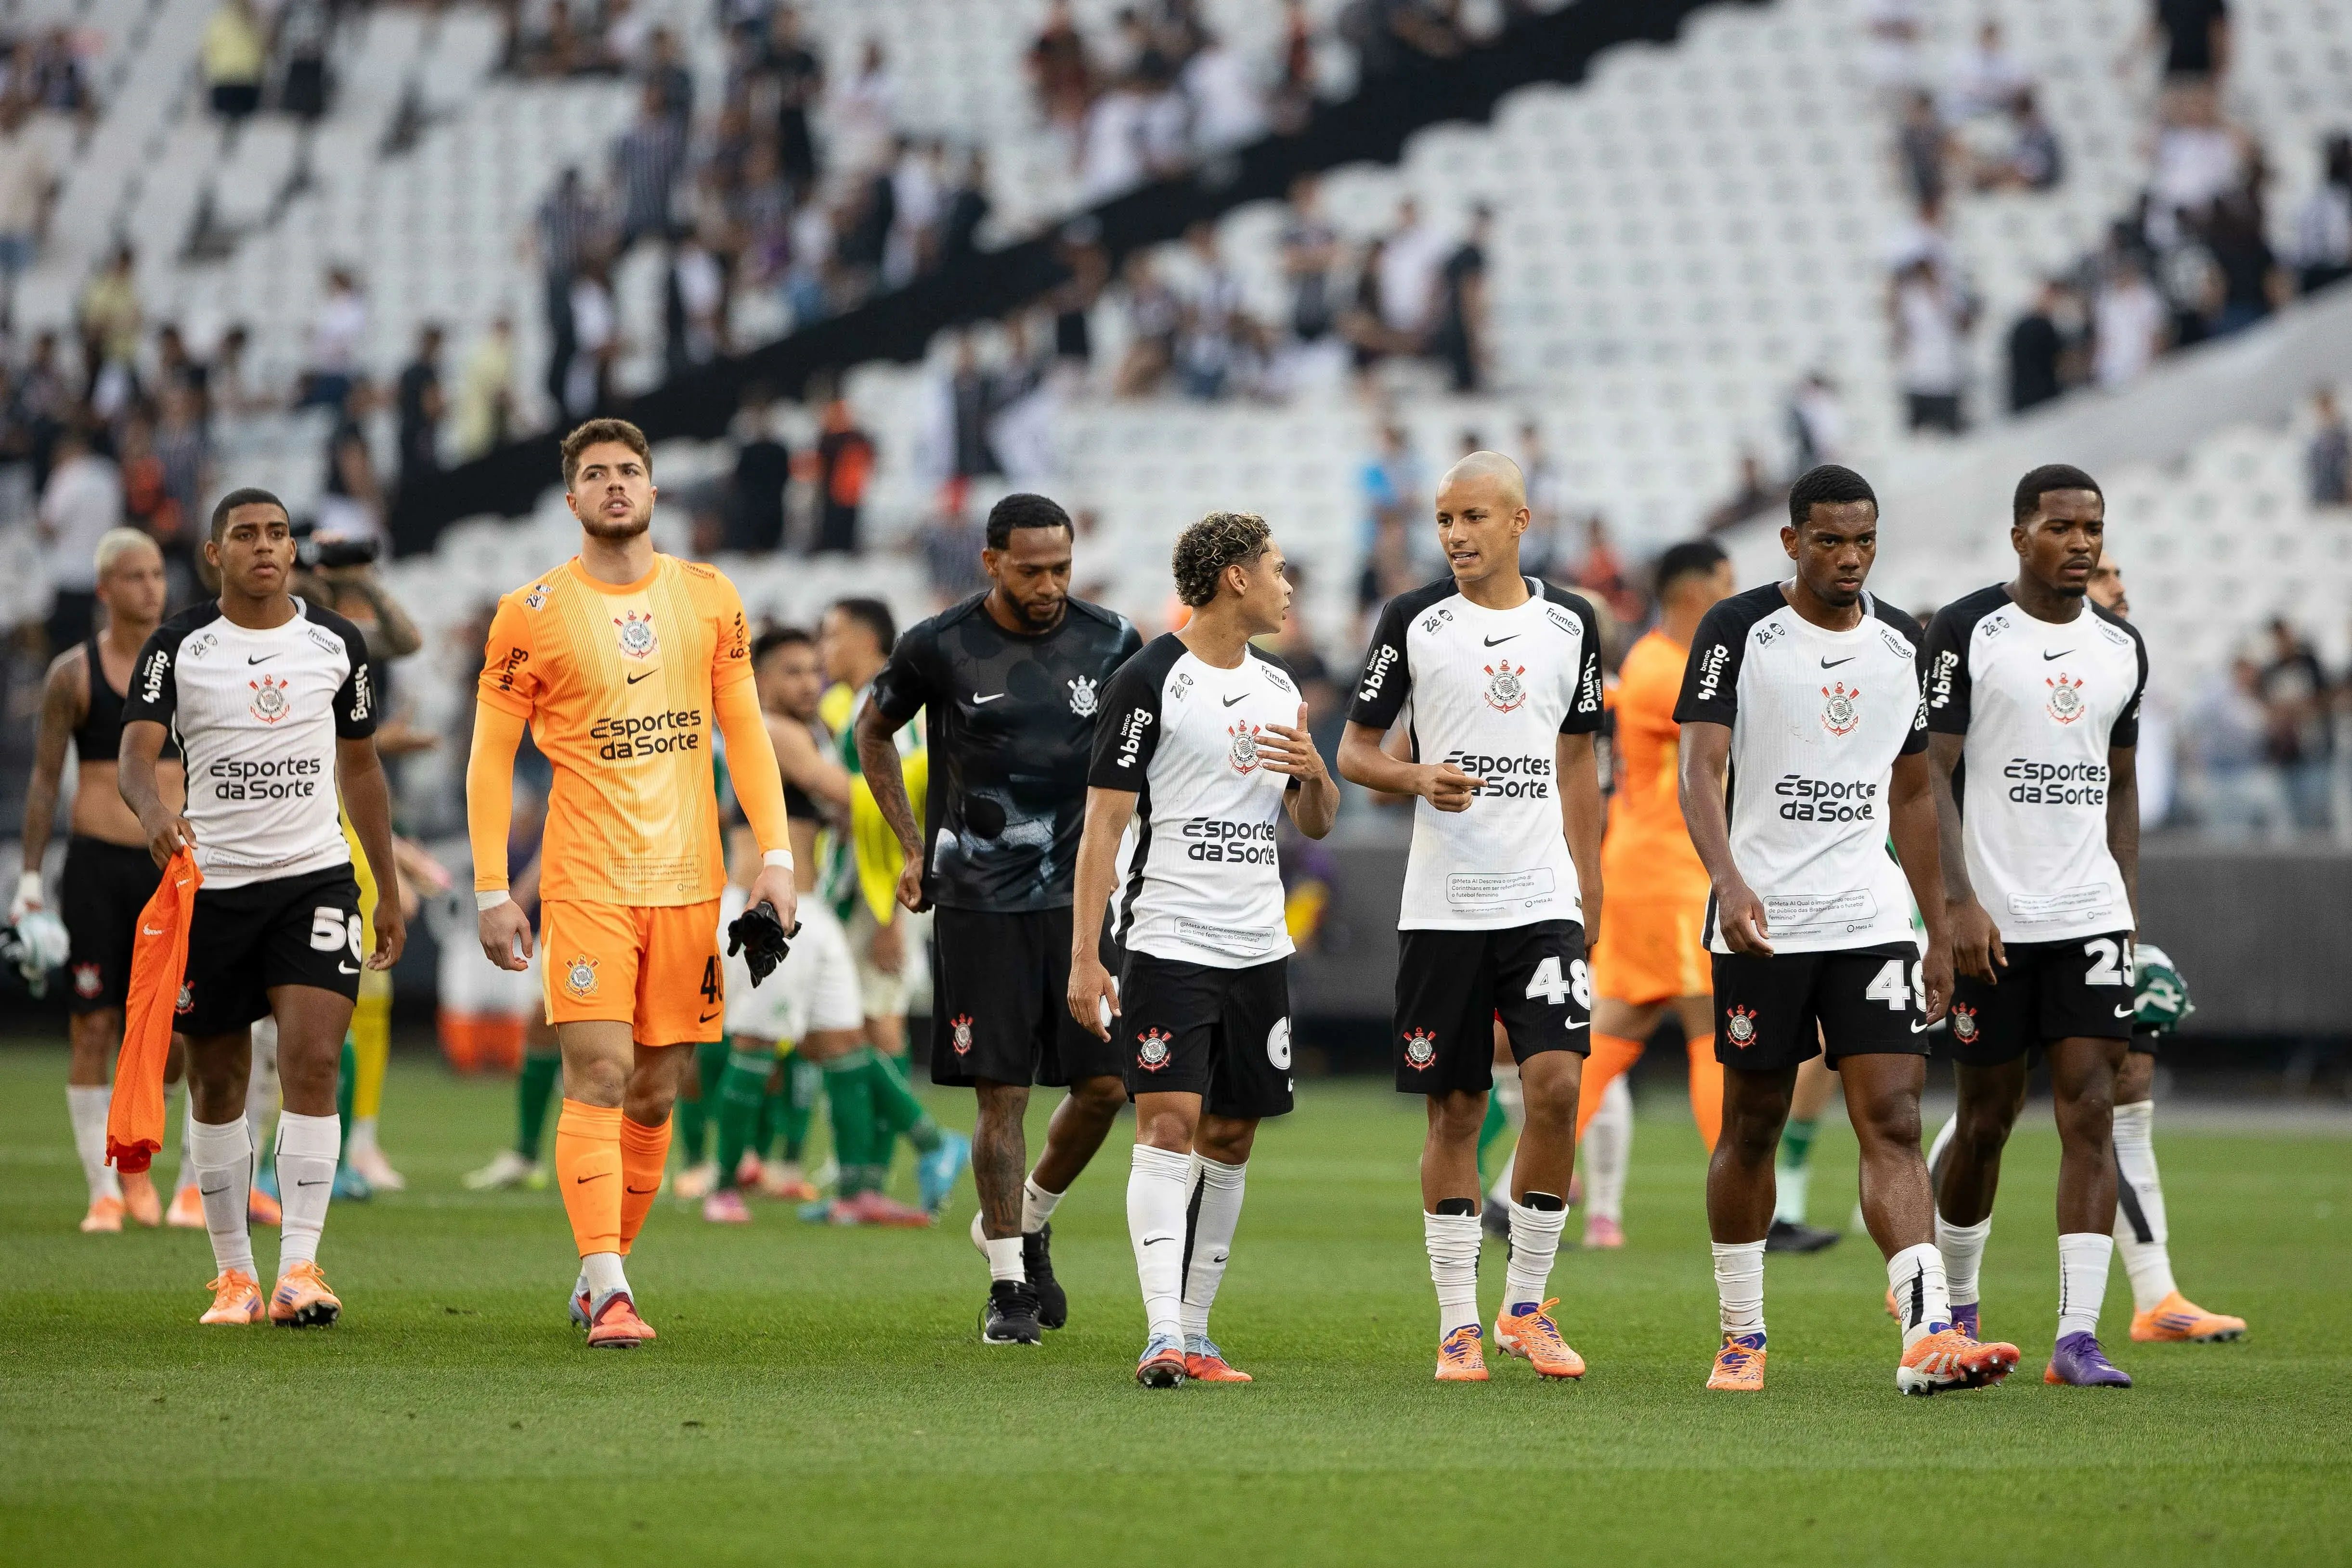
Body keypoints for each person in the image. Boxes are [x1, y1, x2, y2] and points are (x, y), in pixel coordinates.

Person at [1673, 463, 2014, 1395]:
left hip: (1870, 918)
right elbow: (1699, 771)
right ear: (1791, 541)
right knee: (1752, 1123)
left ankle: (1926, 1330)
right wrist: (1729, 880)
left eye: (1864, 539)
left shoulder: (1903, 641)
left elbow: (1912, 787)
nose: (1851, 556)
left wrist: (1940, 918)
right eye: (1830, 539)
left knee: (1894, 1118)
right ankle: (1742, 1331)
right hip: (1763, 924)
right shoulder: (1737, 631)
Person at [466, 419, 800, 1348]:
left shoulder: (709, 597)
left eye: (631, 472)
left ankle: (598, 1270)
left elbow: (747, 732)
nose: (616, 485)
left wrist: (774, 854)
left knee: (656, 1093)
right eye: (597, 475)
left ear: (654, 491)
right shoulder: (527, 612)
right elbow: (490, 760)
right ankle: (612, 1289)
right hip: (587, 884)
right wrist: (496, 888)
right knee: (602, 1073)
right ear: (572, 499)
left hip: (691, 885)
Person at [1337, 451, 1606, 1385]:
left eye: (1473, 517)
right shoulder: (1414, 620)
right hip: (1442, 906)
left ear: (1519, 520)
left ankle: (1525, 1305)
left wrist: (1591, 882)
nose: (1454, 533)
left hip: (1541, 898)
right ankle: (1457, 1321)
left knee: (1558, 1086)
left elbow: (1578, 762)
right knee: (1457, 1106)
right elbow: (1355, 750)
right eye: (1445, 517)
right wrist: (1415, 776)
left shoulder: (1573, 622)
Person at [851, 494, 1139, 1341]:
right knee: (1002, 1091)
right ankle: (1009, 1283)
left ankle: (1030, 1215)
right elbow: (872, 734)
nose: (1049, 584)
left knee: (1105, 1086)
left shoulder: (1113, 640)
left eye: (1061, 567)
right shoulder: (938, 645)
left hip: (1081, 902)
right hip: (979, 902)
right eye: (1030, 569)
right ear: (991, 562)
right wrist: (912, 846)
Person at [118, 488, 406, 1328]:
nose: (266, 546)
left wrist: (384, 886)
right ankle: (234, 1275)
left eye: (278, 533)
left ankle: (302, 1269)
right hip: (213, 886)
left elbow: (362, 770)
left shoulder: (334, 643)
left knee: (314, 1059)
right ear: (216, 553)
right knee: (218, 1078)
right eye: (246, 534)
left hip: (314, 878)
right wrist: (152, 811)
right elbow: (137, 756)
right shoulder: (179, 646)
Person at [1069, 511, 1338, 1386]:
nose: (1288, 584)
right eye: (1278, 567)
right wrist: (1086, 952)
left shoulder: (1279, 687)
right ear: (1234, 578)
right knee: (1168, 1123)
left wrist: (1314, 771)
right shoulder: (1149, 679)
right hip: (1169, 936)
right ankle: (1159, 1333)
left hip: (1259, 944)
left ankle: (1198, 1330)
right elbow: (1103, 824)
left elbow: (1315, 820)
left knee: (1231, 1135)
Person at [1916, 465, 2146, 1388]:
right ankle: (1961, 1310)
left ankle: (2078, 1337)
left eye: (2092, 526)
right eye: (2061, 526)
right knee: (1986, 1120)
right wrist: (1957, 901)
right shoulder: (1969, 630)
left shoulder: (2123, 645)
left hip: (2088, 914)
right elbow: (1929, 773)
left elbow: (2121, 785)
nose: (2081, 541)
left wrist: (2125, 908)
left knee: (2092, 1108)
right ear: (2021, 536)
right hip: (1995, 923)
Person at [2061, 555, 2243, 1344]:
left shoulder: (2117, 681)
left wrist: (2129, 932)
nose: (2120, 594)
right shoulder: (2015, 669)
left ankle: (2157, 1295)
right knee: (1987, 1098)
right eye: (2107, 582)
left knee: (2126, 1075)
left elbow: (2123, 802)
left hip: (2090, 907)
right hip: (2005, 916)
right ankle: (1931, 1265)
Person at [17, 531, 193, 1231]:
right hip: (94, 864)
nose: (151, 587)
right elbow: (42, 781)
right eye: (134, 576)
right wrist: (30, 879)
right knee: (92, 1026)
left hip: (169, 870)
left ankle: (141, 1166)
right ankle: (104, 1189)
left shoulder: (191, 667)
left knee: (178, 1036)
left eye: (156, 574)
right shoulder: (74, 673)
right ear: (104, 589)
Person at [1572, 539, 1735, 1249]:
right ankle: (1742, 1181)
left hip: (1665, 869)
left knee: (1615, 1030)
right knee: (1711, 1023)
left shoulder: (1664, 663)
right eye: (1726, 582)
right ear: (1693, 591)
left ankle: (1511, 1184)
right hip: (1663, 871)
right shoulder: (1660, 668)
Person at [702, 626, 865, 1222]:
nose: (808, 682)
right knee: (754, 1042)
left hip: (810, 904)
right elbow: (844, 792)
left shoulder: (793, 734)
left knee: (842, 1037)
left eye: (812, 671)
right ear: (761, 680)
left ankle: (852, 1186)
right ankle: (720, 1182)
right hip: (766, 906)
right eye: (792, 671)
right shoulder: (774, 731)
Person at [809, 597, 961, 1225]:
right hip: (851, 891)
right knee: (847, 1027)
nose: (824, 648)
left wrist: (897, 915)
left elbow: (910, 795)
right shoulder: (853, 707)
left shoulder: (889, 706)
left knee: (867, 1025)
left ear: (868, 640)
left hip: (878, 896)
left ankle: (917, 1150)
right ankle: (859, 1181)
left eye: (833, 634)